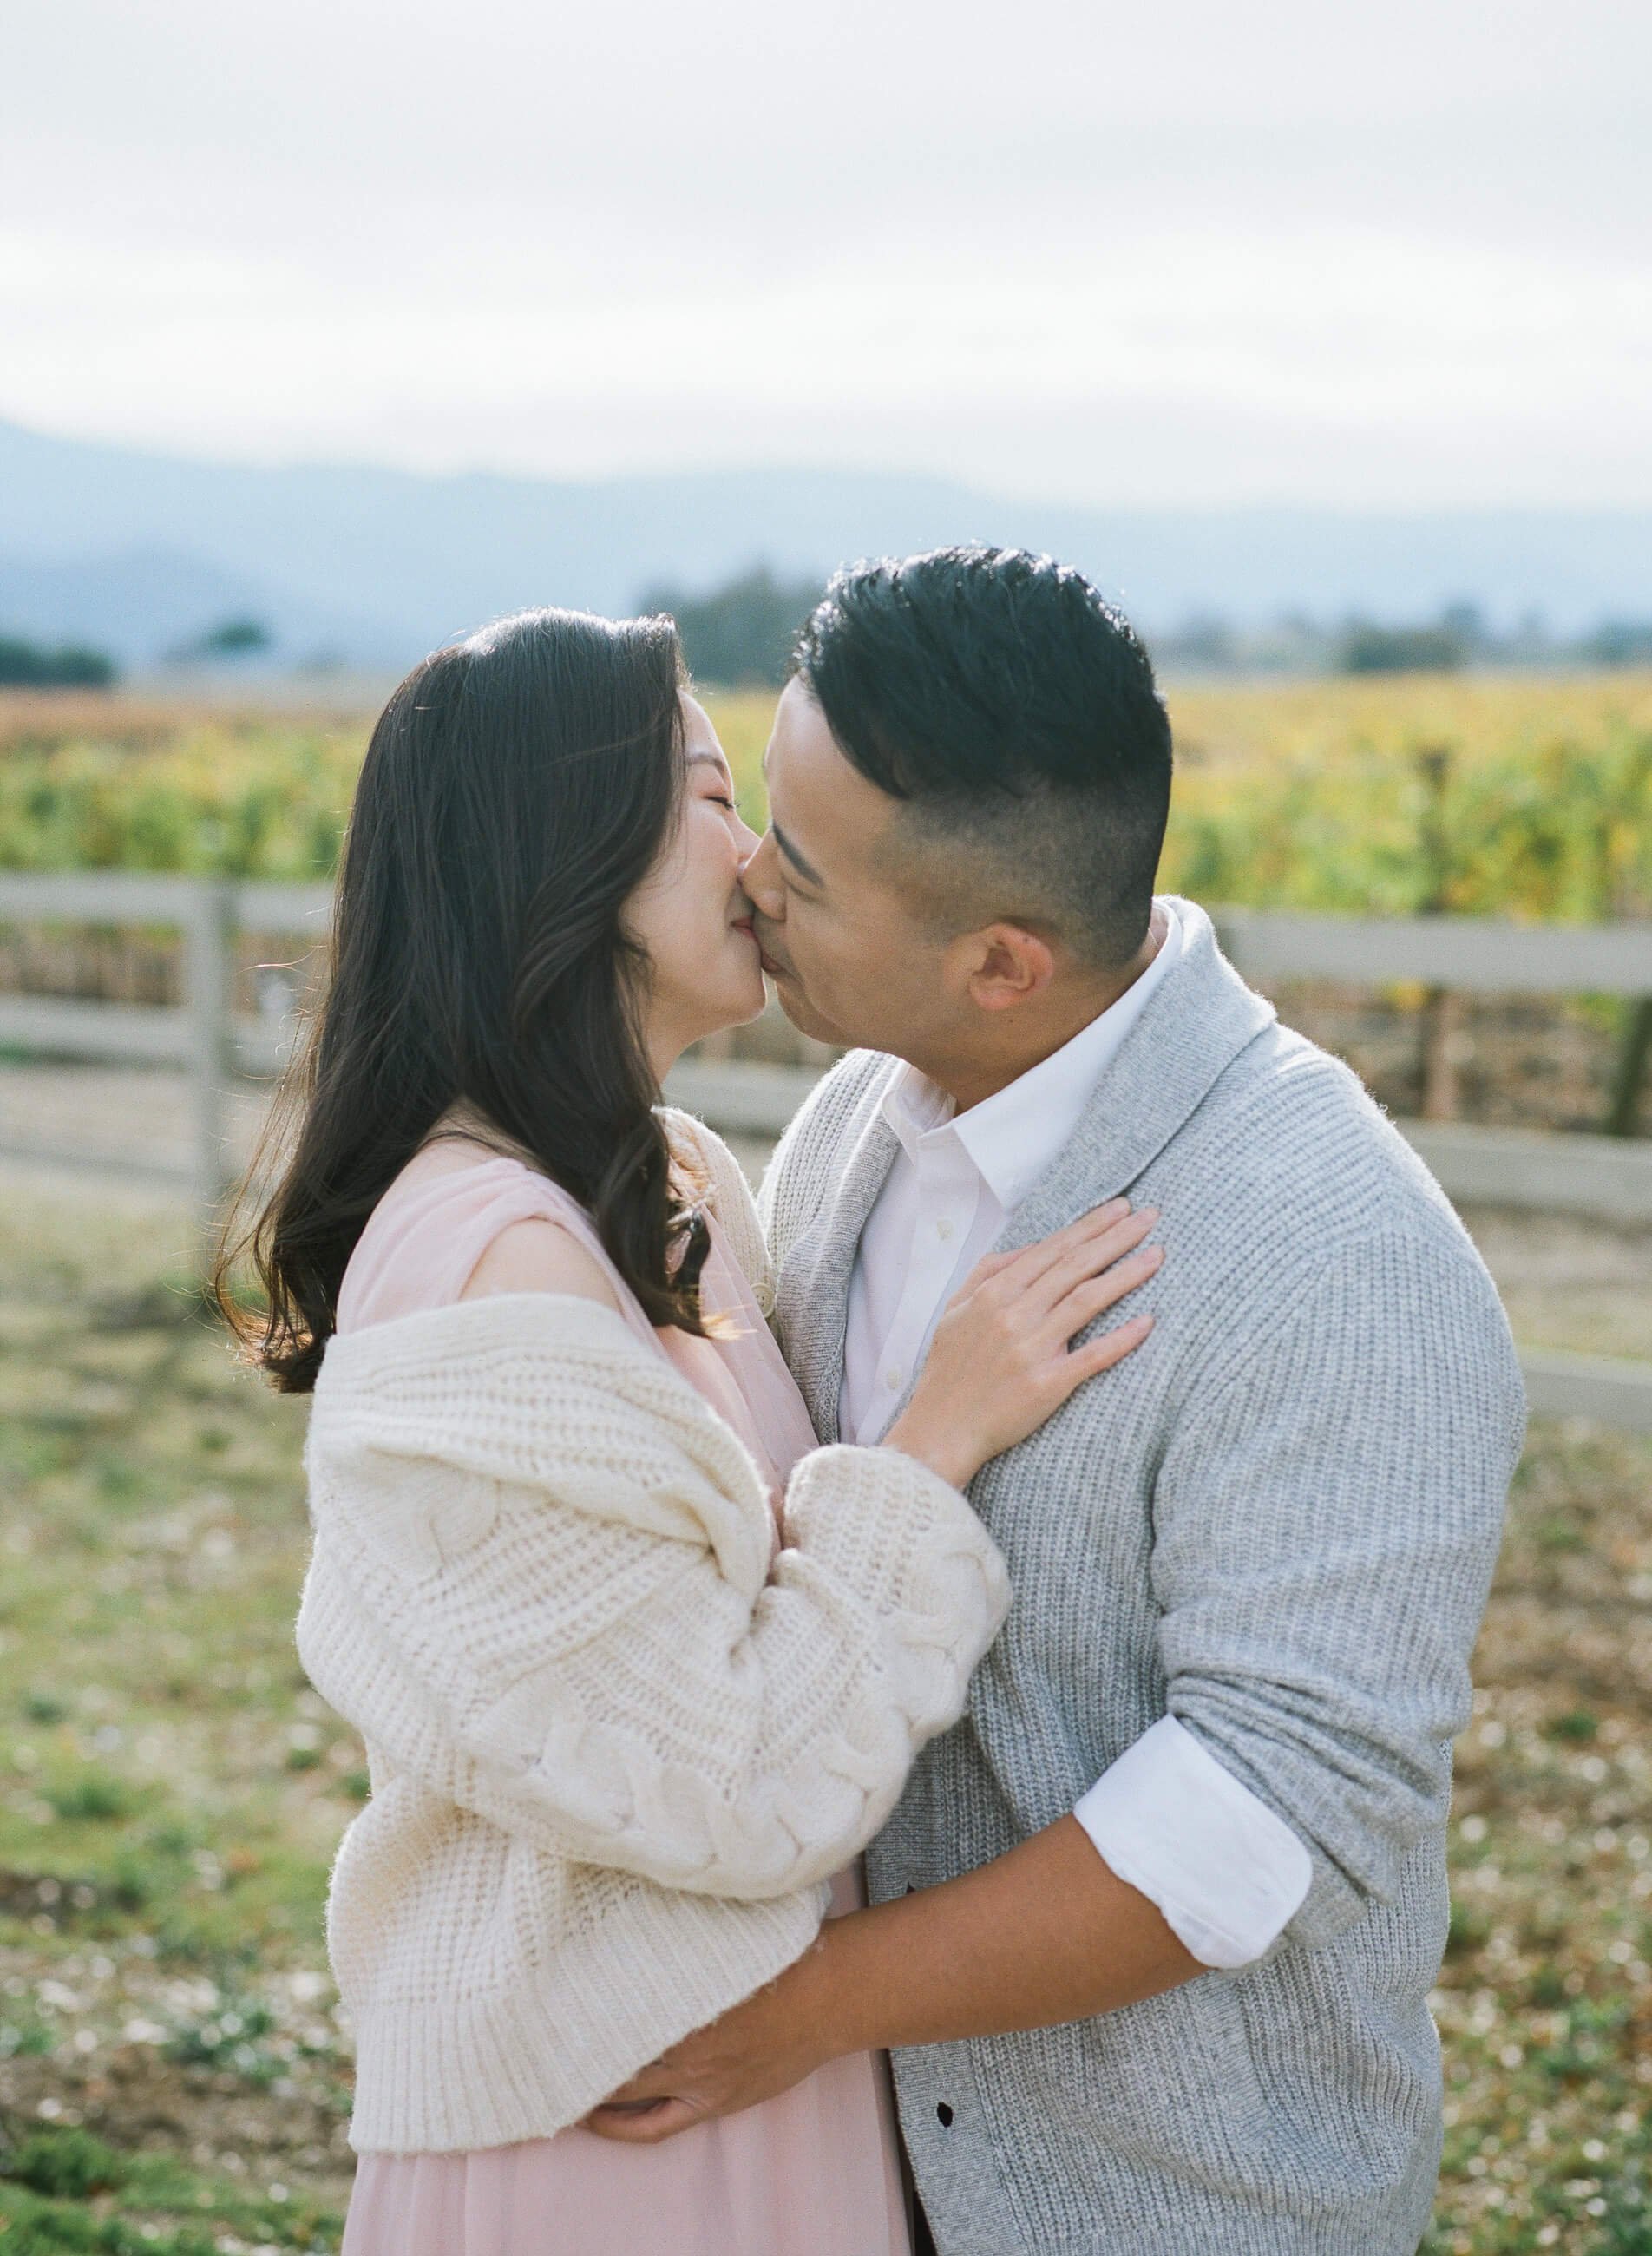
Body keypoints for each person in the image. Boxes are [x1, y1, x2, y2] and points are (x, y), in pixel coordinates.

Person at [585, 548, 1528, 2256]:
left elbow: (1249, 1819)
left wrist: (795, 2004)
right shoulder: (846, 1131)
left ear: (1001, 964)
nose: (741, 876)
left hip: (1176, 2208)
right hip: (839, 2182)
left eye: (794, 860)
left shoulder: (1346, 1259)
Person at [214, 603, 1164, 2256]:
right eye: (719, 797)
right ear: (564, 857)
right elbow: (726, 1787)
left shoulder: (673, 1186)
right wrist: (932, 1447)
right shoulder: (485, 1268)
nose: (762, 860)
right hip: (610, 2133)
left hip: (751, 2075)